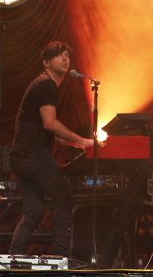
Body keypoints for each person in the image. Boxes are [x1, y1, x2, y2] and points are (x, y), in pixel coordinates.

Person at [9, 41, 94, 256]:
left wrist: (80, 143)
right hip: (33, 154)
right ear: (47, 62)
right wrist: (82, 140)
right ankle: (60, 257)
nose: (65, 59)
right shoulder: (46, 85)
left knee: (33, 210)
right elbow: (50, 124)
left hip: (19, 157)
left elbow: (52, 135)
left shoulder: (42, 84)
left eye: (67, 55)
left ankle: (13, 256)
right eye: (59, 56)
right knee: (64, 197)